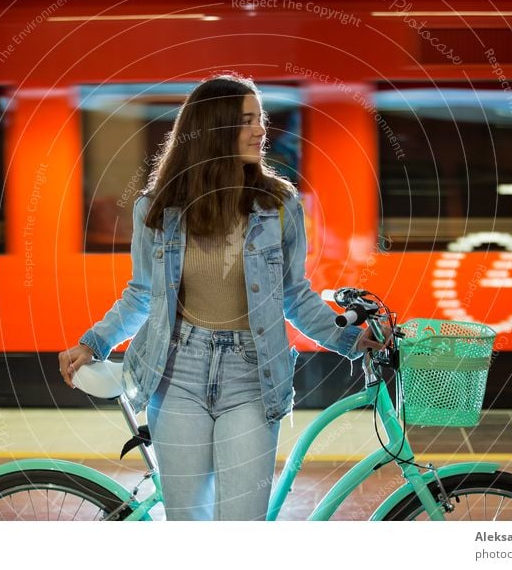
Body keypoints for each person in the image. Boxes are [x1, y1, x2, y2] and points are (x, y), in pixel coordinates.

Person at [58, 73, 384, 521]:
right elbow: (142, 293)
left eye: (260, 119)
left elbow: (293, 293)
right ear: (214, 128)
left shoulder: (279, 204)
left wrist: (349, 340)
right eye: (246, 120)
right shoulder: (158, 207)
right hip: (178, 372)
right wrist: (93, 342)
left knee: (240, 525)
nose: (260, 129)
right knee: (189, 524)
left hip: (253, 375)